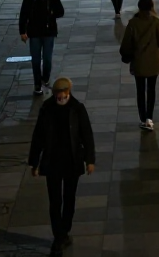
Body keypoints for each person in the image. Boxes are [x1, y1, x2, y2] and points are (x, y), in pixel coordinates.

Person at [28, 76, 95, 255]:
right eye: (57, 94)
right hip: (52, 162)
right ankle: (59, 235)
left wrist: (90, 160)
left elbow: (86, 135)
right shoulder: (47, 109)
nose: (60, 97)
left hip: (72, 161)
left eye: (63, 94)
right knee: (55, 200)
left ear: (68, 92)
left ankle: (64, 230)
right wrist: (34, 162)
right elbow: (38, 137)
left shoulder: (77, 109)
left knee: (69, 198)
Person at [120, 0, 159, 131]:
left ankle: (142, 118)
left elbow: (125, 46)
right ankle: (149, 119)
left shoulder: (133, 23)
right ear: (151, 7)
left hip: (139, 63)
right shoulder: (156, 22)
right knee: (151, 90)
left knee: (140, 91)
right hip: (153, 62)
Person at [19, 0, 65, 95]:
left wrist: (51, 13)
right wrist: (22, 31)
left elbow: (60, 11)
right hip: (34, 32)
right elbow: (24, 13)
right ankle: (37, 84)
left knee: (47, 59)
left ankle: (45, 77)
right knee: (35, 60)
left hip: (48, 31)